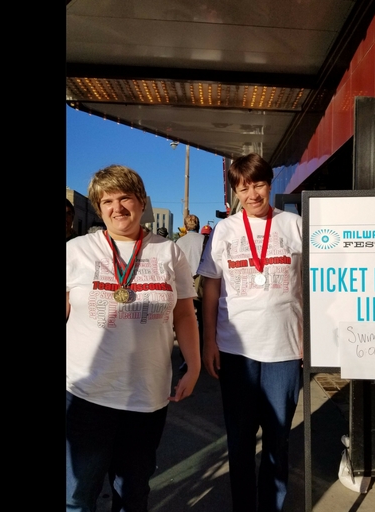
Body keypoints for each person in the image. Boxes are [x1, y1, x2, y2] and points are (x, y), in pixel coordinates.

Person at [66, 164, 201, 512]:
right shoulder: (76, 251)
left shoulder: (169, 253)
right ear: (98, 208)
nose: (117, 207)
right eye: (106, 200)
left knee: (133, 495)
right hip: (86, 396)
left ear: (141, 202)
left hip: (146, 397)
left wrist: (194, 365)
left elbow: (185, 314)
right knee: (78, 496)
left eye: (125, 197)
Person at [197, 153, 304, 512]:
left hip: (285, 350)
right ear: (235, 192)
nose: (252, 194)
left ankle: (271, 507)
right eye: (243, 187)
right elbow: (210, 288)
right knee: (240, 442)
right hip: (235, 350)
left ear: (270, 184)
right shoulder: (225, 231)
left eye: (258, 184)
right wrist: (208, 340)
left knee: (278, 441)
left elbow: (314, 283)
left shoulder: (294, 225)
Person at [174, 214, 209, 373]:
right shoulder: (205, 240)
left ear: (185, 226)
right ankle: (201, 353)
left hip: (183, 283)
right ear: (198, 224)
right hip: (201, 284)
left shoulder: (179, 242)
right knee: (202, 320)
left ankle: (185, 358)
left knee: (184, 321)